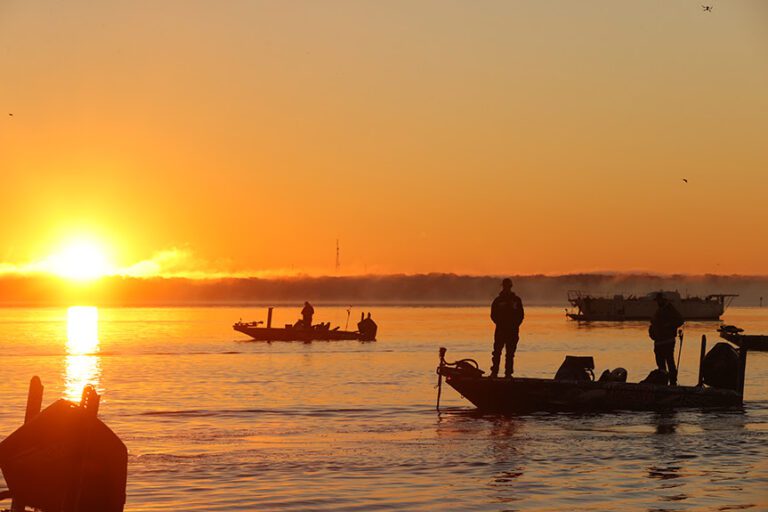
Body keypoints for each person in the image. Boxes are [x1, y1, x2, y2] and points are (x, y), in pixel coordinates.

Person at [490, 278, 525, 378]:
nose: (506, 288)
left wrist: (515, 325)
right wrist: (500, 323)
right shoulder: (498, 300)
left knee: (510, 354)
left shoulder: (516, 300)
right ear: (503, 287)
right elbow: (493, 315)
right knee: (497, 352)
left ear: (510, 287)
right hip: (500, 330)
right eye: (505, 286)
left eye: (508, 286)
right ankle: (494, 372)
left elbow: (521, 315)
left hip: (513, 331)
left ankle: (508, 374)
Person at [648, 292, 684, 385]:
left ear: (664, 300)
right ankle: (662, 382)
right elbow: (653, 324)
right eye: (657, 300)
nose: (658, 302)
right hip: (658, 342)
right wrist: (652, 333)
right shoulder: (659, 310)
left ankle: (672, 383)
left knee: (670, 362)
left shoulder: (670, 309)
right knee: (661, 365)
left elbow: (680, 320)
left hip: (668, 342)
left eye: (660, 300)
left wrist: (669, 325)